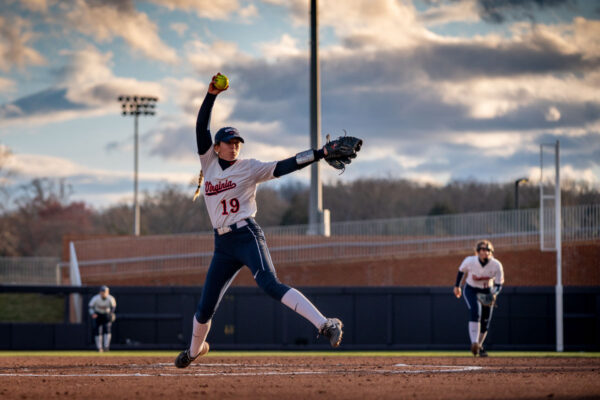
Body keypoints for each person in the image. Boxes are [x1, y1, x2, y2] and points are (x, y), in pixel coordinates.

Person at [174, 73, 344, 368]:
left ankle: (325, 324)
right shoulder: (209, 163)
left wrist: (319, 153)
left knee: (268, 284)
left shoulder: (249, 168)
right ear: (217, 147)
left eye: (237, 141)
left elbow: (285, 165)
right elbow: (201, 126)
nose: (233, 146)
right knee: (205, 308)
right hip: (222, 244)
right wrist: (211, 95)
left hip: (246, 235)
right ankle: (193, 351)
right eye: (228, 142)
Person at [453, 240, 504, 357]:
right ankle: (474, 342)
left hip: (487, 291)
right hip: (472, 289)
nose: (484, 252)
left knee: (486, 320)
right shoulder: (470, 261)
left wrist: (494, 293)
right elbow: (461, 271)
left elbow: (498, 284)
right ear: (477, 251)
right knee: (476, 311)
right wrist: (457, 286)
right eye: (482, 249)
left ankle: (479, 346)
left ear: (491, 252)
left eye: (487, 250)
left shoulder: (496, 264)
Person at [88, 285, 117, 352]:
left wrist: (111, 313)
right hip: (98, 314)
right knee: (97, 331)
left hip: (106, 314)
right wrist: (92, 313)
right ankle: (99, 347)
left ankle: (106, 347)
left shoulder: (110, 298)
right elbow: (90, 307)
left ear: (107, 292)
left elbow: (113, 307)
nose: (103, 293)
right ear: (100, 292)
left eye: (105, 292)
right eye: (102, 291)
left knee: (107, 329)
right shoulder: (96, 298)